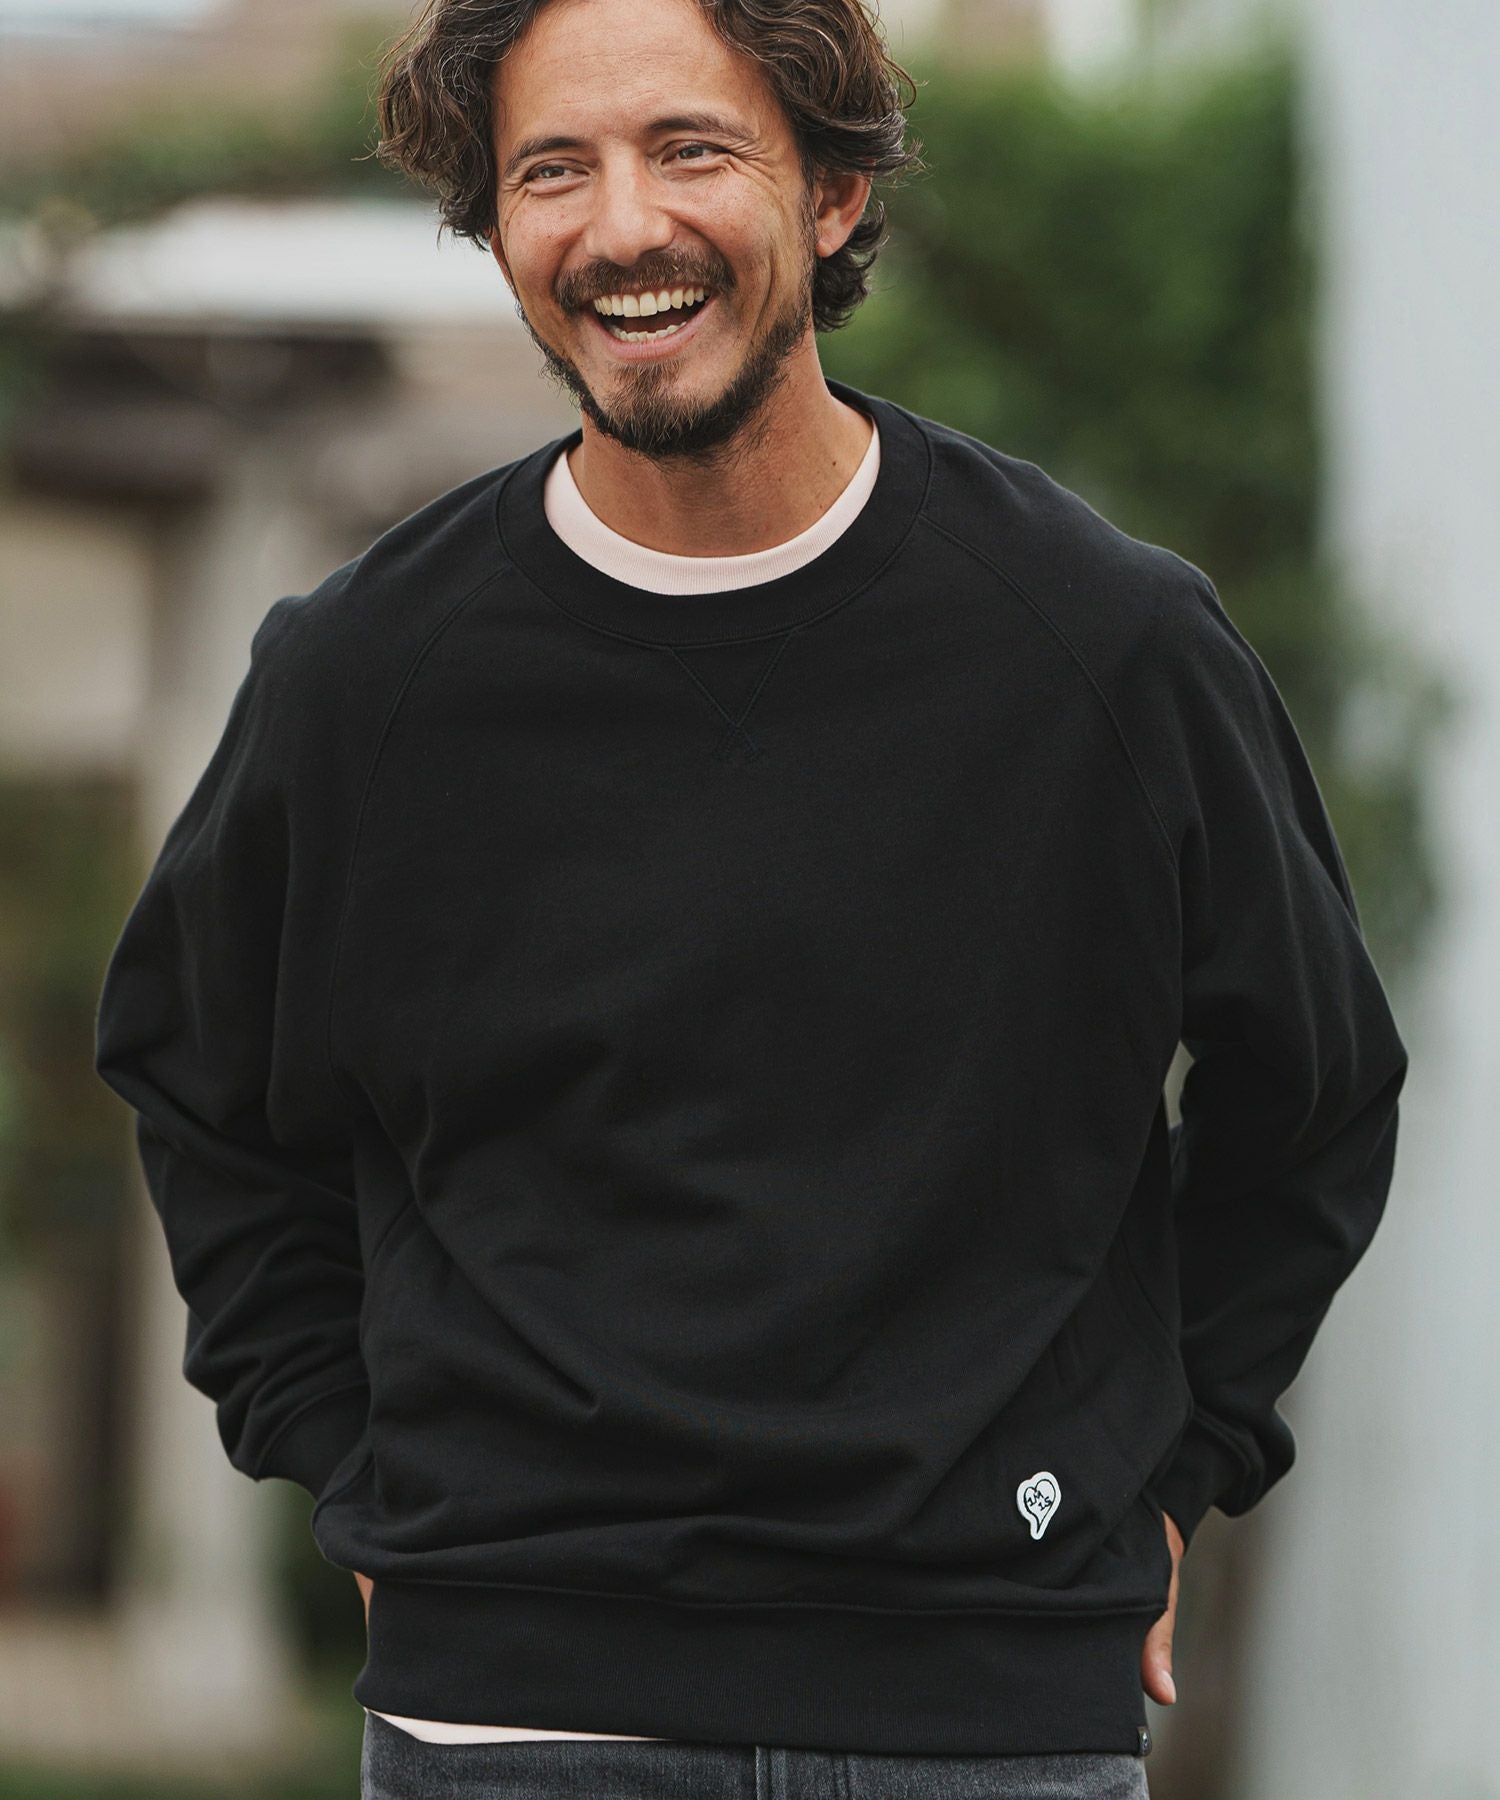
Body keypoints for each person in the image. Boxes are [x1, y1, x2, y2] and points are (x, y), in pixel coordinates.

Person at [92, 0, 1409, 1794]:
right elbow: (198, 1085)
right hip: (519, 1720)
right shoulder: (363, 680)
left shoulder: (1106, 647)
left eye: (691, 149)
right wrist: (354, 1459)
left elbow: (1314, 1092)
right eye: (552, 170)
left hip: (985, 1718)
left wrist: (1172, 1466)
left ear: (836, 192)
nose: (621, 225)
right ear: (497, 226)